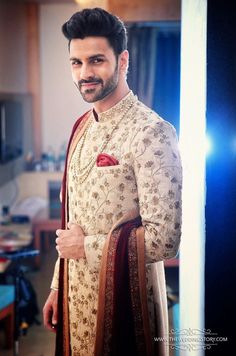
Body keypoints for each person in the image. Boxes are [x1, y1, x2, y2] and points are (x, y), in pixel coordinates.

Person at [43, 8, 182, 356]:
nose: (85, 73)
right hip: (75, 300)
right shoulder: (81, 127)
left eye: (96, 60)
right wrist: (58, 286)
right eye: (76, 63)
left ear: (123, 60)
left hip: (126, 306)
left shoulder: (152, 133)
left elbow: (165, 240)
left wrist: (85, 248)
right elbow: (71, 220)